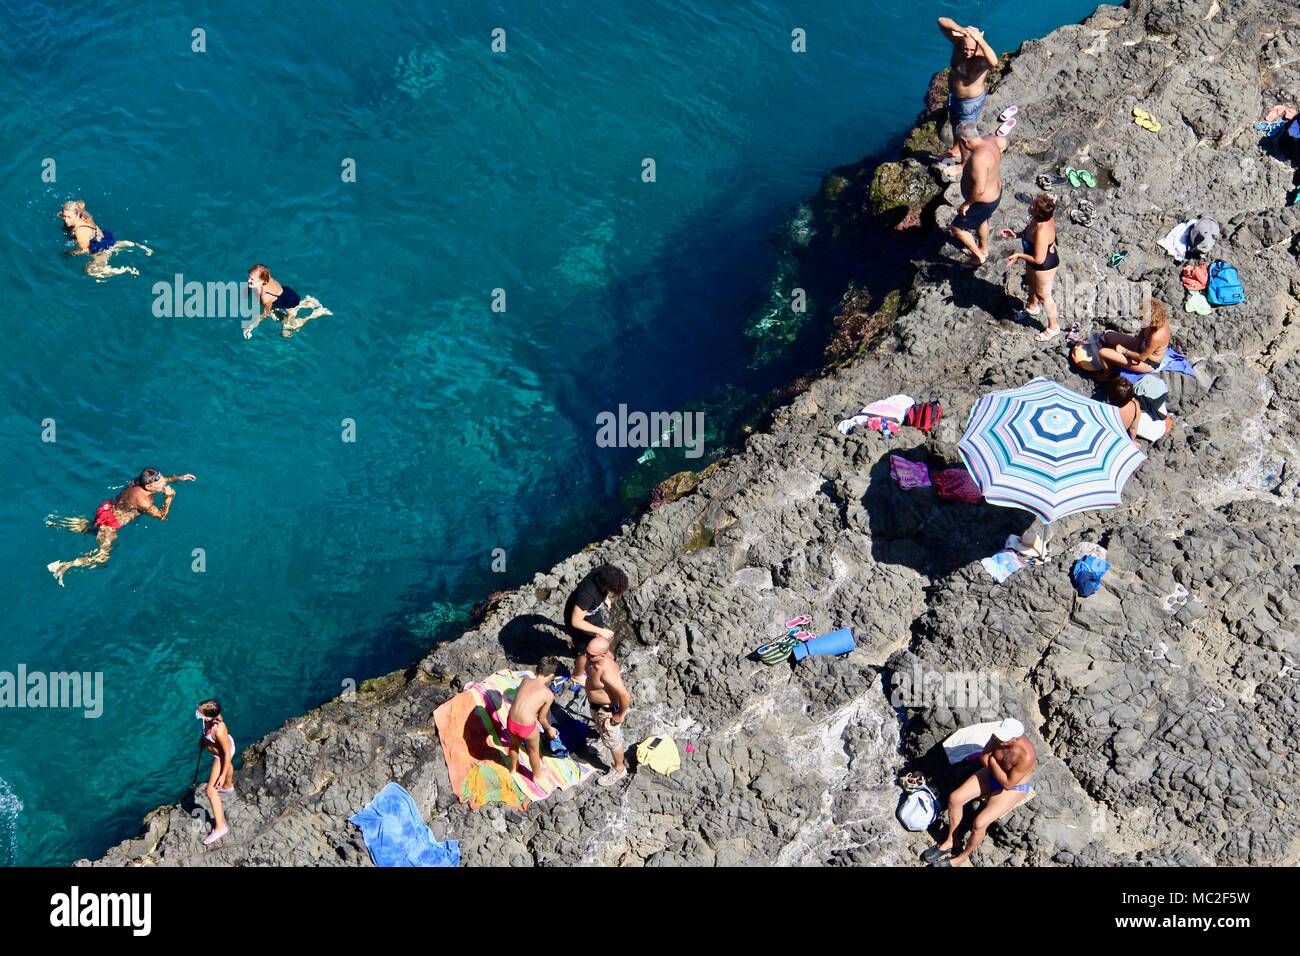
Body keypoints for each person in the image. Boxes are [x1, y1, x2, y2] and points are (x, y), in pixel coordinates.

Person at [46, 469, 197, 586]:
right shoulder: (144, 501)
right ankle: (64, 566)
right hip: (110, 525)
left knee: (90, 528)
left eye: (163, 478)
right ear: (149, 486)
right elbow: (162, 516)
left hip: (106, 510)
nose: (164, 482)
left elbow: (162, 480)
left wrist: (178, 478)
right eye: (160, 483)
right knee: (102, 557)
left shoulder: (138, 481)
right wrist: (169, 498)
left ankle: (55, 521)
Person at [922, 718, 1037, 867]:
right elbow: (983, 757)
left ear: (1016, 739)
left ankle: (961, 858)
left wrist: (993, 761)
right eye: (999, 736)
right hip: (992, 774)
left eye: (1004, 739)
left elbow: (1008, 784)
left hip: (1013, 788)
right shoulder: (998, 736)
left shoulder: (1026, 756)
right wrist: (991, 762)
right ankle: (952, 840)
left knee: (979, 823)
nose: (999, 740)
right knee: (955, 798)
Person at [1000, 194, 1061, 340]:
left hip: (1044, 265)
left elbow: (1039, 259)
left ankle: (1053, 327)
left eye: (1033, 206)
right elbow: (1028, 234)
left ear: (1038, 212)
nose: (1030, 205)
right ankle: (1032, 307)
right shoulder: (1037, 218)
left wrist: (1019, 256)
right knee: (1031, 283)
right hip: (1032, 259)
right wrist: (1016, 235)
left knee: (1044, 295)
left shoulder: (1042, 230)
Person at [937, 19, 999, 160]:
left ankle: (965, 163)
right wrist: (960, 29)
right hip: (954, 96)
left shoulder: (982, 57)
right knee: (953, 122)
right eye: (966, 48)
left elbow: (994, 62)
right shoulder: (958, 43)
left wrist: (980, 40)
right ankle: (955, 149)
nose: (969, 52)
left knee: (965, 132)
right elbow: (941, 21)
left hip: (970, 103)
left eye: (972, 49)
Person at [564, 563, 630, 685]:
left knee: (599, 639)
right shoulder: (587, 595)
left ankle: (598, 653)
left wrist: (605, 599)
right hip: (579, 619)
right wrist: (600, 631)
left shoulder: (604, 571)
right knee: (586, 652)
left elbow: (605, 586)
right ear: (606, 585)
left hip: (592, 613)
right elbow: (576, 621)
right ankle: (576, 676)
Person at [950, 123, 1003, 267]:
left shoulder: (978, 158)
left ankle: (978, 257)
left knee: (957, 228)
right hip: (996, 194)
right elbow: (1004, 141)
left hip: (983, 202)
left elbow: (979, 190)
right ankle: (983, 249)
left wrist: (967, 204)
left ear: (965, 141)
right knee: (982, 221)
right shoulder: (991, 140)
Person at [58, 200, 151, 279]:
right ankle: (135, 245)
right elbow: (81, 203)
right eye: (65, 216)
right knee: (112, 246)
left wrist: (70, 253)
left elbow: (85, 250)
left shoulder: (80, 232)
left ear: (78, 215)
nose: (66, 220)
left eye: (69, 217)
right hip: (103, 238)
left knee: (90, 271)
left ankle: (125, 270)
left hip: (99, 251)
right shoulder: (84, 214)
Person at [584, 637, 632, 787]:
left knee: (613, 741)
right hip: (596, 707)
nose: (587, 656)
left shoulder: (607, 672)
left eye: (591, 655)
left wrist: (620, 715)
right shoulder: (593, 660)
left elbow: (624, 695)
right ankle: (602, 739)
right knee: (601, 729)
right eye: (587, 652)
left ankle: (619, 768)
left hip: (608, 711)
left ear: (603, 655)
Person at [505, 657, 561, 780]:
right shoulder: (548, 694)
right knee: (533, 752)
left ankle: (513, 769)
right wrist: (549, 729)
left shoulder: (524, 681)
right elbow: (542, 719)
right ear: (551, 675)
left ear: (537, 669)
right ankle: (536, 775)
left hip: (510, 721)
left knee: (514, 745)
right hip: (526, 727)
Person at [243, 263, 332, 339]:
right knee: (285, 317)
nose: (248, 280)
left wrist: (251, 326)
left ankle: (316, 313)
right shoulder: (266, 275)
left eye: (252, 280)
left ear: (263, 281)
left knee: (287, 332)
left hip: (289, 301)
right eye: (249, 277)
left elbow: (265, 314)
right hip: (286, 291)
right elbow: (258, 276)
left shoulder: (264, 296)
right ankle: (307, 302)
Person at [1096, 298, 1171, 376]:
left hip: (1147, 362)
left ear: (1152, 322)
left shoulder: (1156, 337)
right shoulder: (1156, 319)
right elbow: (1142, 332)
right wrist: (1135, 347)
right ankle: (1113, 359)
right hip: (1141, 347)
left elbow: (1141, 358)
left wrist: (1124, 351)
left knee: (1102, 352)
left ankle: (1109, 374)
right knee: (1107, 336)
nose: (1141, 321)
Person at [197, 699, 236, 845]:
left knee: (211, 791)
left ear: (209, 716)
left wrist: (221, 774)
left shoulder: (219, 729)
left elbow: (226, 754)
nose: (197, 712)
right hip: (220, 749)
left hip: (222, 755)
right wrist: (204, 741)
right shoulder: (207, 720)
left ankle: (220, 827)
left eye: (199, 711)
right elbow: (206, 733)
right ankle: (228, 786)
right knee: (222, 779)